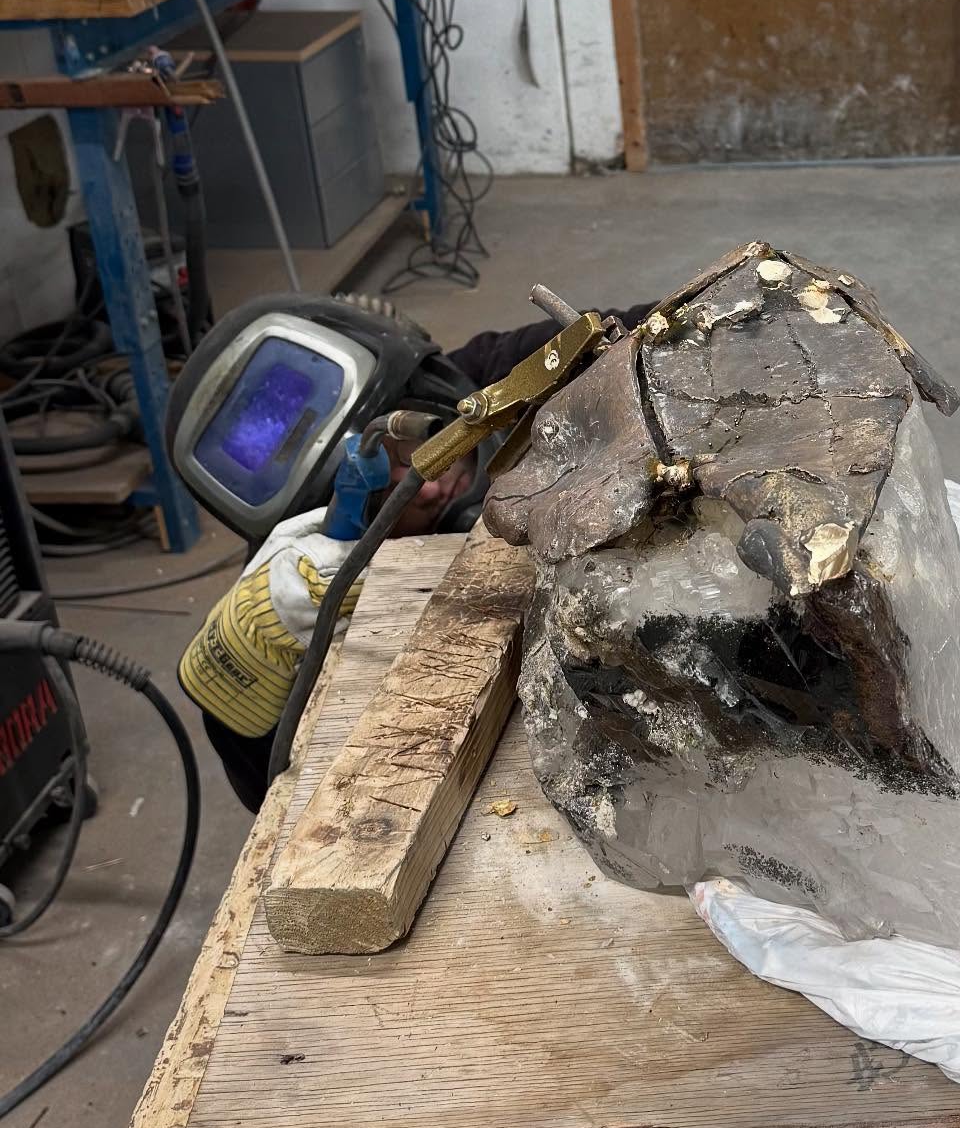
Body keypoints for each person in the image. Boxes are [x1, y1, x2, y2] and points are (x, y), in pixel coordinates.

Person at [180, 304, 651, 810]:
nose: (422, 491)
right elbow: (266, 790)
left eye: (409, 455)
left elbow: (650, 324)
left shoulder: (497, 373)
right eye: (385, 499)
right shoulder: (298, 583)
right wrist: (244, 687)